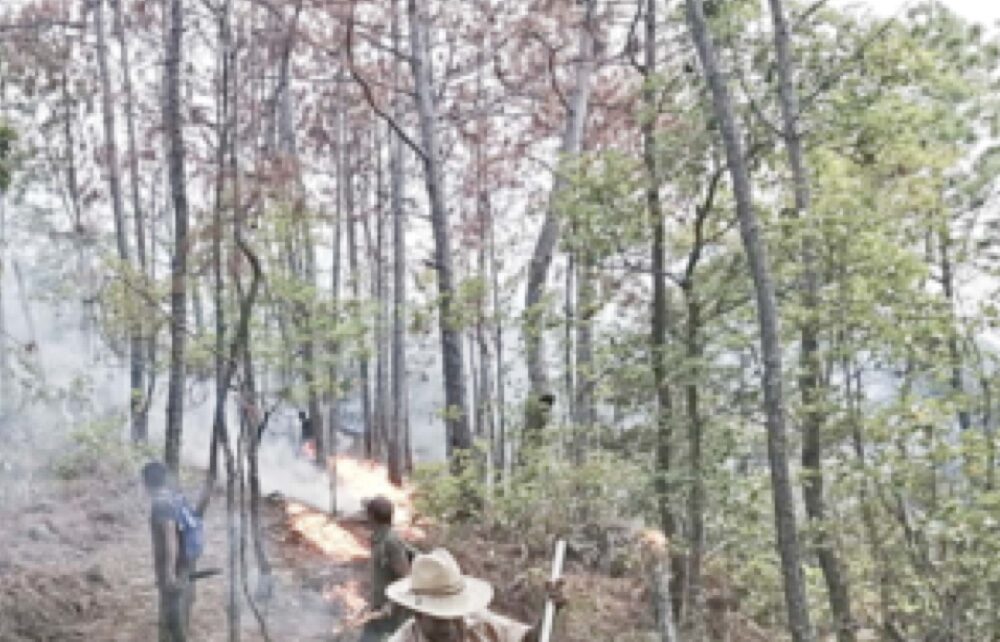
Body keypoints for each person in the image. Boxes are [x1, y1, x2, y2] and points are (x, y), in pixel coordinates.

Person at [385, 548, 567, 642]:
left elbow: (527, 641)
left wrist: (550, 610)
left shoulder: (478, 624)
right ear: (418, 615)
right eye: (439, 618)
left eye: (454, 614)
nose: (450, 627)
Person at [142, 461, 195, 642]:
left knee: (173, 622)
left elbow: (170, 538)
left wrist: (170, 573)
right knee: (173, 620)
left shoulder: (160, 503)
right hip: (182, 563)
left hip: (174, 568)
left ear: (146, 482)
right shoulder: (173, 497)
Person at [359, 495, 412, 641]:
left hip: (390, 613)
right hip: (378, 610)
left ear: (372, 516)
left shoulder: (391, 542)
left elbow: (406, 578)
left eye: (367, 514)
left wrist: (390, 605)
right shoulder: (378, 539)